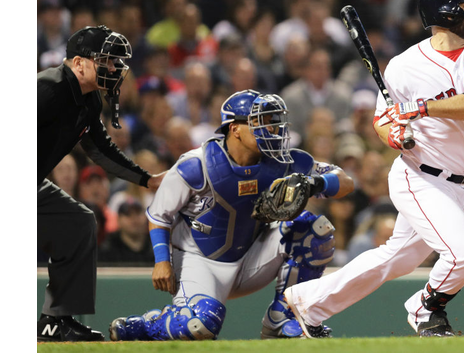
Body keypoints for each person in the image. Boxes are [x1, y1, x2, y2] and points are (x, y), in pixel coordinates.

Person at [283, 0, 464, 338]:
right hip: (419, 176)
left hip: (460, 182)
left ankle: (307, 303)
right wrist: (397, 138)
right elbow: (382, 121)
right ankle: (426, 309)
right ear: (447, 14)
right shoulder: (404, 65)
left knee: (396, 258)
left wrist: (420, 108)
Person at [108, 90, 354, 341]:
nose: (271, 129)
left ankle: (284, 318)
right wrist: (162, 261)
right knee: (199, 326)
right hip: (199, 259)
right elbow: (159, 215)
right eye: (261, 122)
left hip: (250, 255)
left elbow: (346, 181)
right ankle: (143, 326)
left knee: (316, 231)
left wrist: (315, 183)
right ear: (235, 128)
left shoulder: (284, 159)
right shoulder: (196, 164)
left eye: (272, 121)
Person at [38, 25, 165, 342]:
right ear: (79, 63)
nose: (114, 68)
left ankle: (55, 322)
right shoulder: (48, 89)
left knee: (79, 222)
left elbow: (100, 149)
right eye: (106, 61)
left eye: (116, 62)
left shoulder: (90, 100)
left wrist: (145, 179)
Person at [99, 200, 154, 265]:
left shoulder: (156, 244)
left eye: (138, 213)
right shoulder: (107, 248)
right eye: (128, 214)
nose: (134, 219)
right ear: (118, 219)